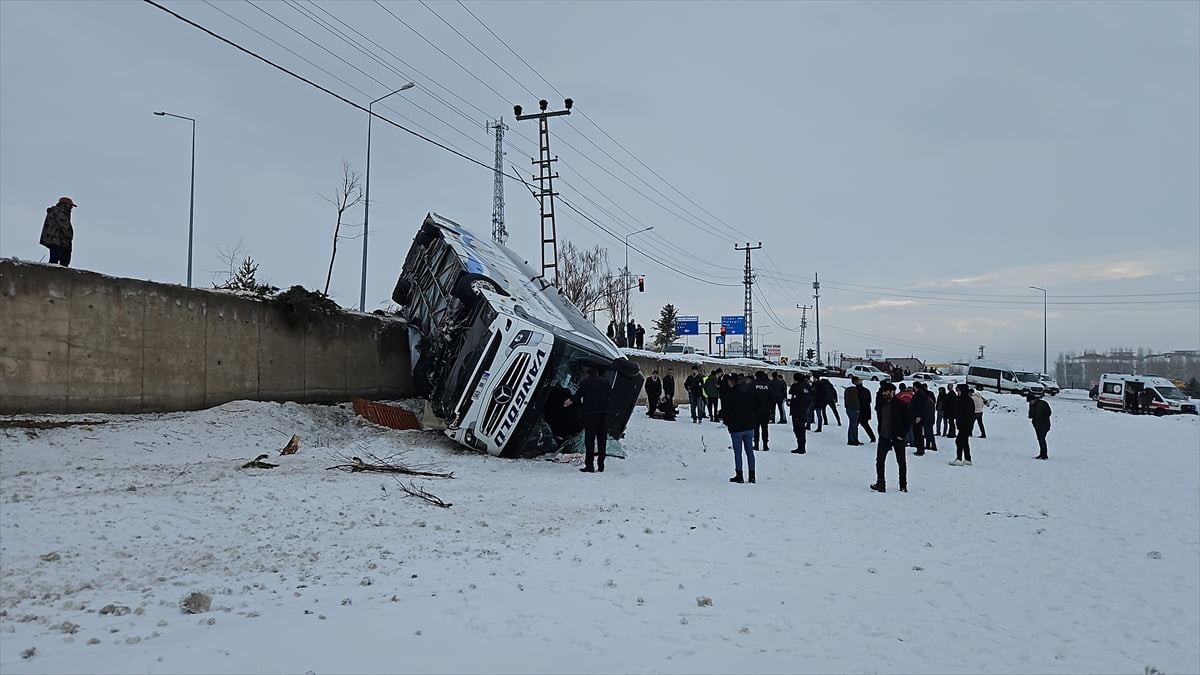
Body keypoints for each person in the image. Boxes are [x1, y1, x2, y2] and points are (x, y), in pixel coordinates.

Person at [564, 367, 613, 473]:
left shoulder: (585, 382)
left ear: (588, 374)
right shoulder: (605, 382)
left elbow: (578, 395)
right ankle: (601, 465)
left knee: (589, 441)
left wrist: (569, 401)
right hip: (603, 415)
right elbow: (611, 395)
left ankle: (589, 465)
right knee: (602, 441)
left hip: (590, 415)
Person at [870, 381, 910, 493]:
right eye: (883, 391)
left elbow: (908, 420)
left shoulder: (901, 404)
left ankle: (903, 485)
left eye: (886, 391)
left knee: (901, 462)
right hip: (884, 436)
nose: (884, 393)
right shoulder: (882, 403)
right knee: (880, 460)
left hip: (897, 437)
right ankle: (880, 483)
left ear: (892, 392)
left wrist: (902, 435)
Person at [722, 372, 757, 483]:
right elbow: (756, 405)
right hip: (749, 425)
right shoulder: (748, 392)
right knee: (750, 452)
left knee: (738, 452)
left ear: (731, 382)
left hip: (736, 427)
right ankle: (752, 475)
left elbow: (726, 411)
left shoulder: (730, 394)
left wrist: (727, 422)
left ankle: (739, 475)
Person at [40, 196, 77, 267]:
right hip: (61, 241)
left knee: (53, 260)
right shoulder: (60, 212)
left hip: (52, 240)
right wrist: (69, 236)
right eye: (70, 206)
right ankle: (62, 275)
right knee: (64, 261)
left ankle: (51, 274)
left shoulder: (53, 211)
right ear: (65, 204)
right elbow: (65, 227)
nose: (71, 208)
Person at [950, 384, 975, 466]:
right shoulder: (960, 400)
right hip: (962, 424)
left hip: (966, 424)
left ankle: (959, 458)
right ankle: (968, 459)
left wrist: (965, 423)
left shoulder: (967, 401)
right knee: (964, 441)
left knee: (959, 440)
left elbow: (968, 414)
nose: (958, 392)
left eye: (959, 391)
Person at [788, 372, 813, 454]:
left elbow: (793, 397)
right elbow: (810, 396)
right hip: (804, 410)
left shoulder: (796, 387)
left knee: (797, 429)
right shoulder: (807, 386)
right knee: (802, 430)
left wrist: (790, 403)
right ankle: (802, 447)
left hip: (796, 411)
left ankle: (800, 447)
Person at [751, 371, 773, 451]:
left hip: (755, 410)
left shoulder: (753, 384)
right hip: (765, 409)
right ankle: (765, 445)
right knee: (765, 428)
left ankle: (756, 444)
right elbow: (771, 397)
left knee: (756, 428)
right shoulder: (768, 385)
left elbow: (750, 396)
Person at [1028, 393, 1052, 460]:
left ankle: (1044, 455)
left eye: (1031, 401)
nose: (1030, 403)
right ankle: (1042, 454)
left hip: (1044, 424)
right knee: (1040, 439)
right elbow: (1031, 413)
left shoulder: (1043, 404)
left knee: (1041, 439)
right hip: (1037, 424)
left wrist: (1043, 418)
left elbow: (1049, 412)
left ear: (1034, 399)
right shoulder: (1031, 405)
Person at [855, 379, 877, 443]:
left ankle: (854, 438)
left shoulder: (856, 391)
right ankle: (872, 437)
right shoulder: (867, 390)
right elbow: (869, 400)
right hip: (866, 410)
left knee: (855, 425)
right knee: (866, 425)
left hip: (858, 410)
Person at [844, 377, 863, 446]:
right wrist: (856, 408)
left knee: (854, 425)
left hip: (851, 409)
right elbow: (854, 400)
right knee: (853, 425)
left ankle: (854, 439)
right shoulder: (853, 389)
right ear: (855, 381)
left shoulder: (849, 389)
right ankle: (851, 440)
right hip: (853, 409)